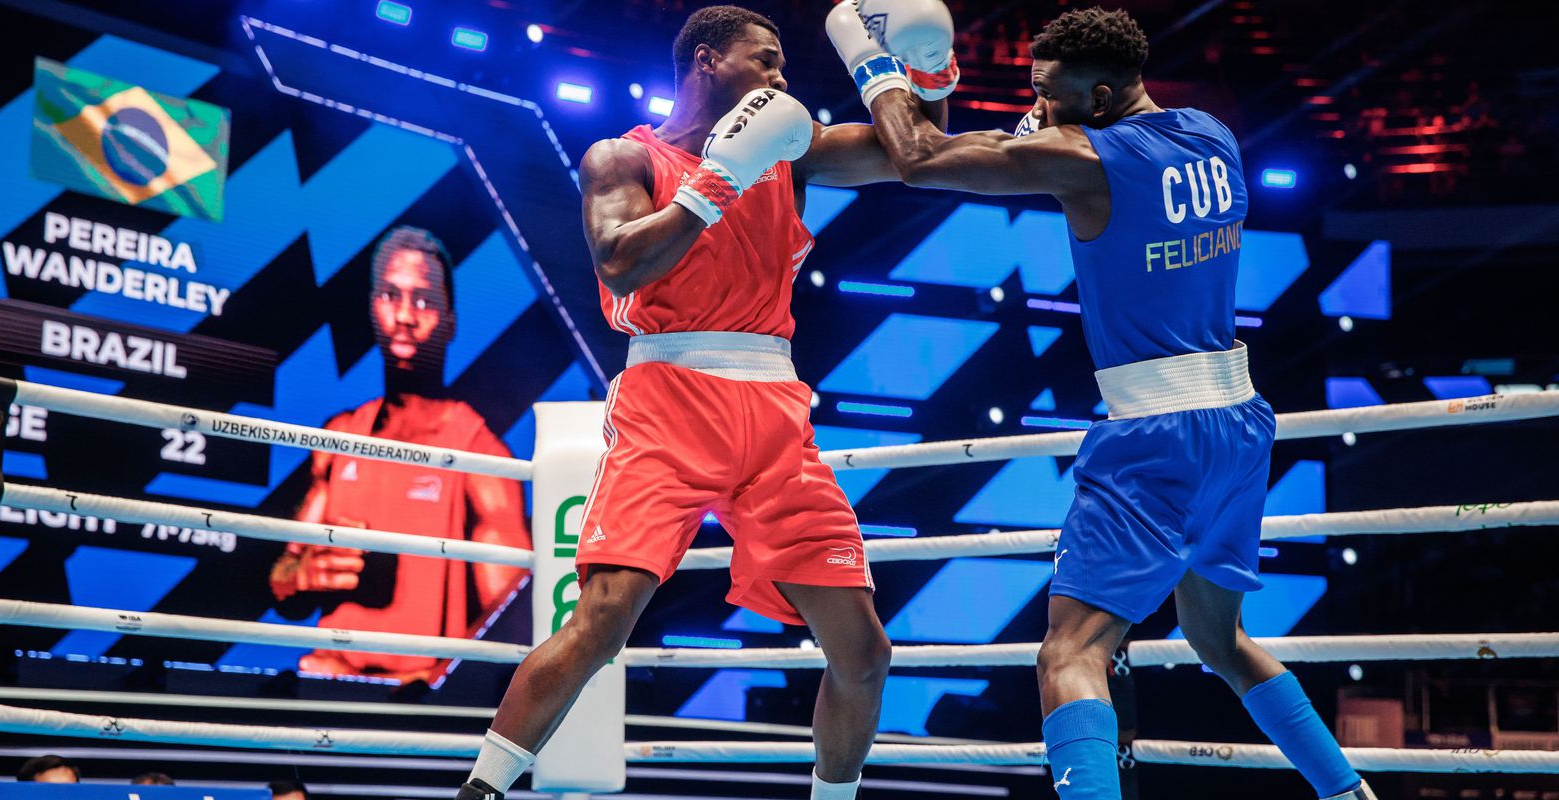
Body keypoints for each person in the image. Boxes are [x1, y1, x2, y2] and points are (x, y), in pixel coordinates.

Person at [830, 5, 1374, 799]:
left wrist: (876, 62)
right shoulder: (1211, 133)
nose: (1038, 105)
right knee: (1218, 638)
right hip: (1238, 425)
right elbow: (1064, 149)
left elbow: (918, 159)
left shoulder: (1088, 160)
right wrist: (1029, 122)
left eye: (1049, 93)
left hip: (1157, 434)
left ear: (1103, 95)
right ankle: (1347, 792)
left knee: (1069, 653)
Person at [455, 6, 955, 800]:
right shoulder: (623, 156)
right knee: (603, 619)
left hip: (775, 408)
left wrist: (925, 71)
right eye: (766, 60)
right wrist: (718, 182)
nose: (781, 78)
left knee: (863, 651)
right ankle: (481, 790)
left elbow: (914, 155)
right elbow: (619, 263)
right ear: (707, 61)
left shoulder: (792, 151)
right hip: (670, 398)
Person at [269, 226, 531, 685]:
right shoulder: (340, 436)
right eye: (391, 296)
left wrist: (435, 680)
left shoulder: (477, 451)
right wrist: (305, 575)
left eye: (424, 301)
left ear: (450, 322)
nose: (405, 316)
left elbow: (511, 608)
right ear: (373, 307)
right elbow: (283, 578)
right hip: (326, 687)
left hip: (414, 704)